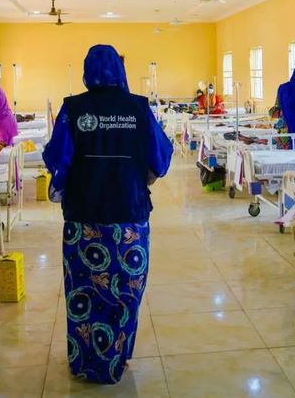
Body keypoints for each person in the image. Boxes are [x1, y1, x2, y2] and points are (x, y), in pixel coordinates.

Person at [43, 45, 172, 384]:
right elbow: (160, 157)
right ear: (120, 70)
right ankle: (117, 355)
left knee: (83, 290)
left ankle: (84, 361)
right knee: (127, 289)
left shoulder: (73, 109)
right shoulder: (138, 108)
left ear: (87, 71)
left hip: (83, 217)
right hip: (129, 216)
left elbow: (57, 157)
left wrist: (69, 179)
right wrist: (139, 176)